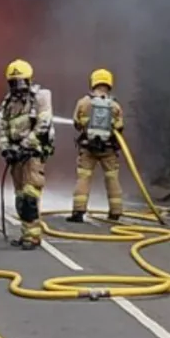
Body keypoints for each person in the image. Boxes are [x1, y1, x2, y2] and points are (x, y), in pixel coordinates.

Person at [0, 58, 55, 249]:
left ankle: (33, 237)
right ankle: (26, 235)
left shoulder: (41, 97)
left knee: (30, 197)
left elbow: (43, 124)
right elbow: (3, 128)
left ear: (29, 80)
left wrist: (24, 145)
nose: (17, 87)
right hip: (17, 157)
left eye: (20, 82)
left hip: (32, 154)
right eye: (13, 83)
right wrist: (6, 149)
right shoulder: (8, 103)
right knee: (21, 198)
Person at [69, 68, 124, 223]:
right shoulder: (115, 106)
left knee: (83, 178)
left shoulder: (83, 102)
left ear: (93, 82)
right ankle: (115, 212)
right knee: (112, 179)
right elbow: (120, 127)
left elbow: (76, 123)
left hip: (88, 148)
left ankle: (78, 211)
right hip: (108, 150)